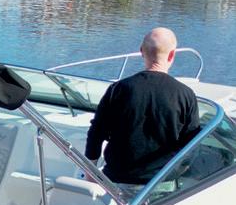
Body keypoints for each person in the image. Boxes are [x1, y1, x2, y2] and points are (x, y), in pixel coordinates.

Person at [84, 27, 200, 194]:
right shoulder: (185, 95)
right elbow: (192, 144)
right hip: (161, 185)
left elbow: (96, 133)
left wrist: (91, 173)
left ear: (141, 51)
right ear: (171, 55)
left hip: (116, 181)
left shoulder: (119, 89)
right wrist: (179, 170)